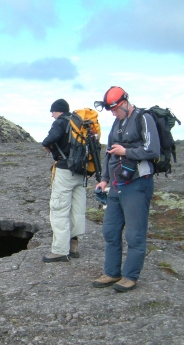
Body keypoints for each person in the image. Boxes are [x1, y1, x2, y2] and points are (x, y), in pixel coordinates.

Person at [92, 86, 160, 292]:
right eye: (111, 110)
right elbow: (109, 153)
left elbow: (153, 149)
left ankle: (130, 276)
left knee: (134, 234)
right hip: (115, 185)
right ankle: (112, 273)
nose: (113, 113)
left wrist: (126, 151)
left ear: (123, 103)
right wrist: (104, 179)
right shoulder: (117, 122)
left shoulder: (144, 118)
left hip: (138, 183)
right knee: (110, 231)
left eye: (115, 109)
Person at [41, 99, 86, 263]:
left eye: (52, 112)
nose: (52, 115)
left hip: (65, 170)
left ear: (58, 110)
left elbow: (49, 139)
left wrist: (46, 145)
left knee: (59, 209)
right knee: (78, 210)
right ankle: (74, 247)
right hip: (81, 171)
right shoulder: (79, 122)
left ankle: (60, 250)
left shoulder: (60, 122)